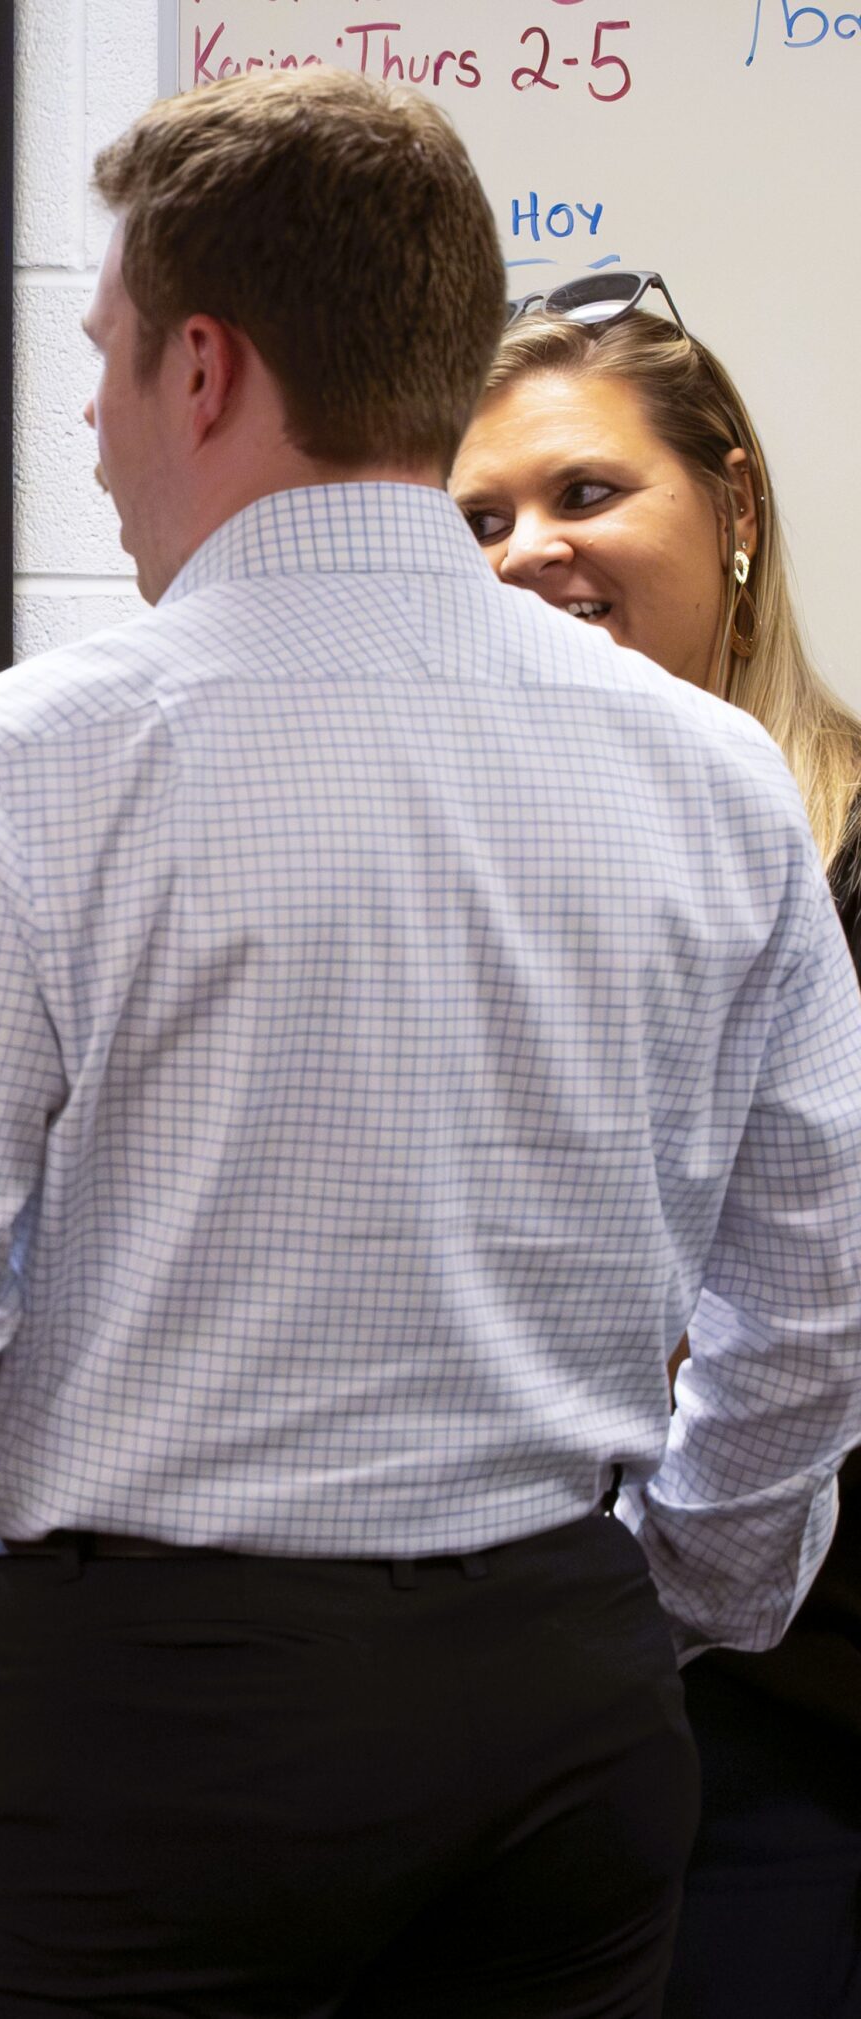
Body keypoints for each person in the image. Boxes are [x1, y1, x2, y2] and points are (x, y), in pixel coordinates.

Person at [0, 68, 861, 2017]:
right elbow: (807, 1297)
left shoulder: (36, 759)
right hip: (557, 1706)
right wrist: (672, 1590)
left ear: (202, 367)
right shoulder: (713, 776)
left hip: (146, 1721)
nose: (86, 422)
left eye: (97, 356)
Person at [452, 281, 861, 2019]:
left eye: (585, 493)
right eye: (476, 521)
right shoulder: (459, 888)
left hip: (802, 1729)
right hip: (493, 1710)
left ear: (738, 510)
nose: (528, 552)